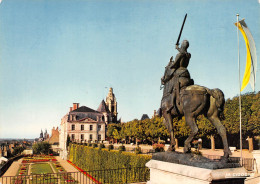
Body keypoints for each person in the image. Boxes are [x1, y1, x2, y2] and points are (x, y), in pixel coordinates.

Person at [161, 40, 194, 115]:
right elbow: (183, 52)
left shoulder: (179, 55)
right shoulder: (188, 55)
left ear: (182, 45)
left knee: (172, 89)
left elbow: (174, 65)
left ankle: (171, 105)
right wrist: (177, 48)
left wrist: (171, 65)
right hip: (186, 74)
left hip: (179, 74)